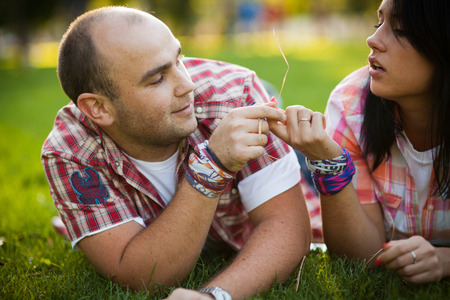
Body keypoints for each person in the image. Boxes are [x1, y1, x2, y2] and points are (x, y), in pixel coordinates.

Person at [41, 6, 312, 299]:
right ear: (99, 108)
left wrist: (214, 296)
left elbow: (290, 231)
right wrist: (213, 166)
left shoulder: (235, 96)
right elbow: (139, 276)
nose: (187, 85)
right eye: (157, 79)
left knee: (301, 165)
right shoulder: (71, 151)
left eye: (179, 59)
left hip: (226, 123)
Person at [269, 0, 449, 284]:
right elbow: (362, 257)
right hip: (338, 160)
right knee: (291, 160)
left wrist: (444, 260)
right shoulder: (351, 102)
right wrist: (329, 164)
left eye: (400, 29)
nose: (373, 39)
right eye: (379, 23)